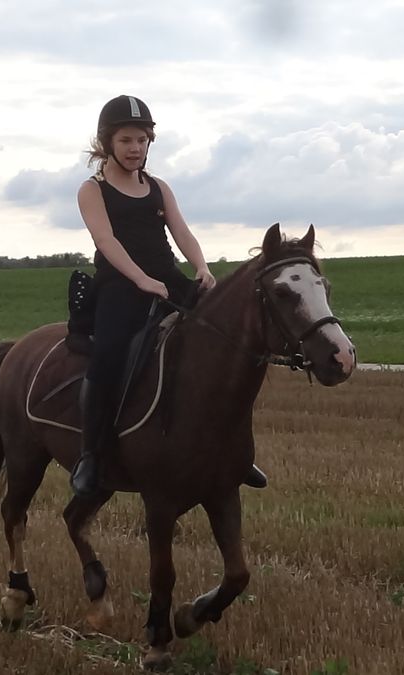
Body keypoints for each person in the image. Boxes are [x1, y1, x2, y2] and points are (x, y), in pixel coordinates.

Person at [70, 94, 268, 497]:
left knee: (222, 344)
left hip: (168, 280)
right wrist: (140, 280)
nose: (135, 148)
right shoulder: (92, 190)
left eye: (142, 140)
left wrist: (202, 267)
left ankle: (233, 452)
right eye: (126, 140)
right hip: (119, 287)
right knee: (107, 357)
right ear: (107, 141)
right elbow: (106, 241)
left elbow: (181, 232)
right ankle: (91, 455)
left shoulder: (159, 187)